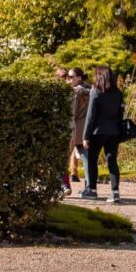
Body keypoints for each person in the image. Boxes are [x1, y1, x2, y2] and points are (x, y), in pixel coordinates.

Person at [80, 65, 124, 204]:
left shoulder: (96, 91)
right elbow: (120, 113)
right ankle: (115, 191)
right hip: (114, 131)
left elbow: (91, 116)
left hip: (97, 132)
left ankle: (92, 190)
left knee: (92, 159)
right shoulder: (117, 92)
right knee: (112, 160)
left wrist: (86, 136)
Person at [67, 68, 90, 183]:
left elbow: (72, 112)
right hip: (86, 127)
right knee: (86, 158)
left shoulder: (75, 93)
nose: (68, 79)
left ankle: (66, 182)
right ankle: (89, 185)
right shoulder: (91, 90)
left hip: (75, 127)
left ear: (79, 77)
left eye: (71, 77)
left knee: (66, 157)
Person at [55, 67, 74, 196]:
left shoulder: (58, 92)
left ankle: (62, 185)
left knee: (60, 160)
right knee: (63, 160)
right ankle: (63, 185)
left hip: (61, 129)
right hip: (69, 129)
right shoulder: (72, 92)